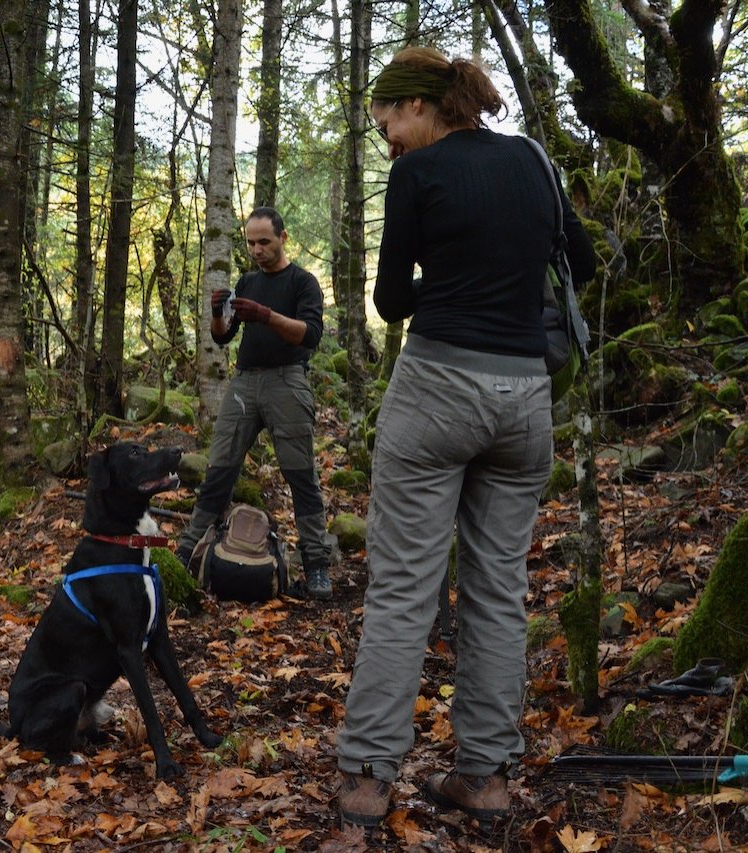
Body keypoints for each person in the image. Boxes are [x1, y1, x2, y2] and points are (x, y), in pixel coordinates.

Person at [334, 46, 598, 828]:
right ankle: (485, 776)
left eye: (389, 125)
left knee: (405, 586)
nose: (389, 143)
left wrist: (447, 280)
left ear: (422, 106)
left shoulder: (418, 175)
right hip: (525, 401)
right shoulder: (534, 164)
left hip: (439, 388)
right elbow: (579, 259)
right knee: (498, 594)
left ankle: (369, 777)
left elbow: (389, 300)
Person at [173, 207, 335, 600]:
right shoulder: (246, 281)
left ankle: (316, 566)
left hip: (287, 382)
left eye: (264, 241)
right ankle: (185, 552)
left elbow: (310, 334)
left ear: (283, 238)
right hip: (245, 383)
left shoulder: (303, 282)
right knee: (219, 471)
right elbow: (223, 337)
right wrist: (218, 313)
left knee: (300, 477)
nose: (257, 249)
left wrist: (264, 315)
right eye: (250, 242)